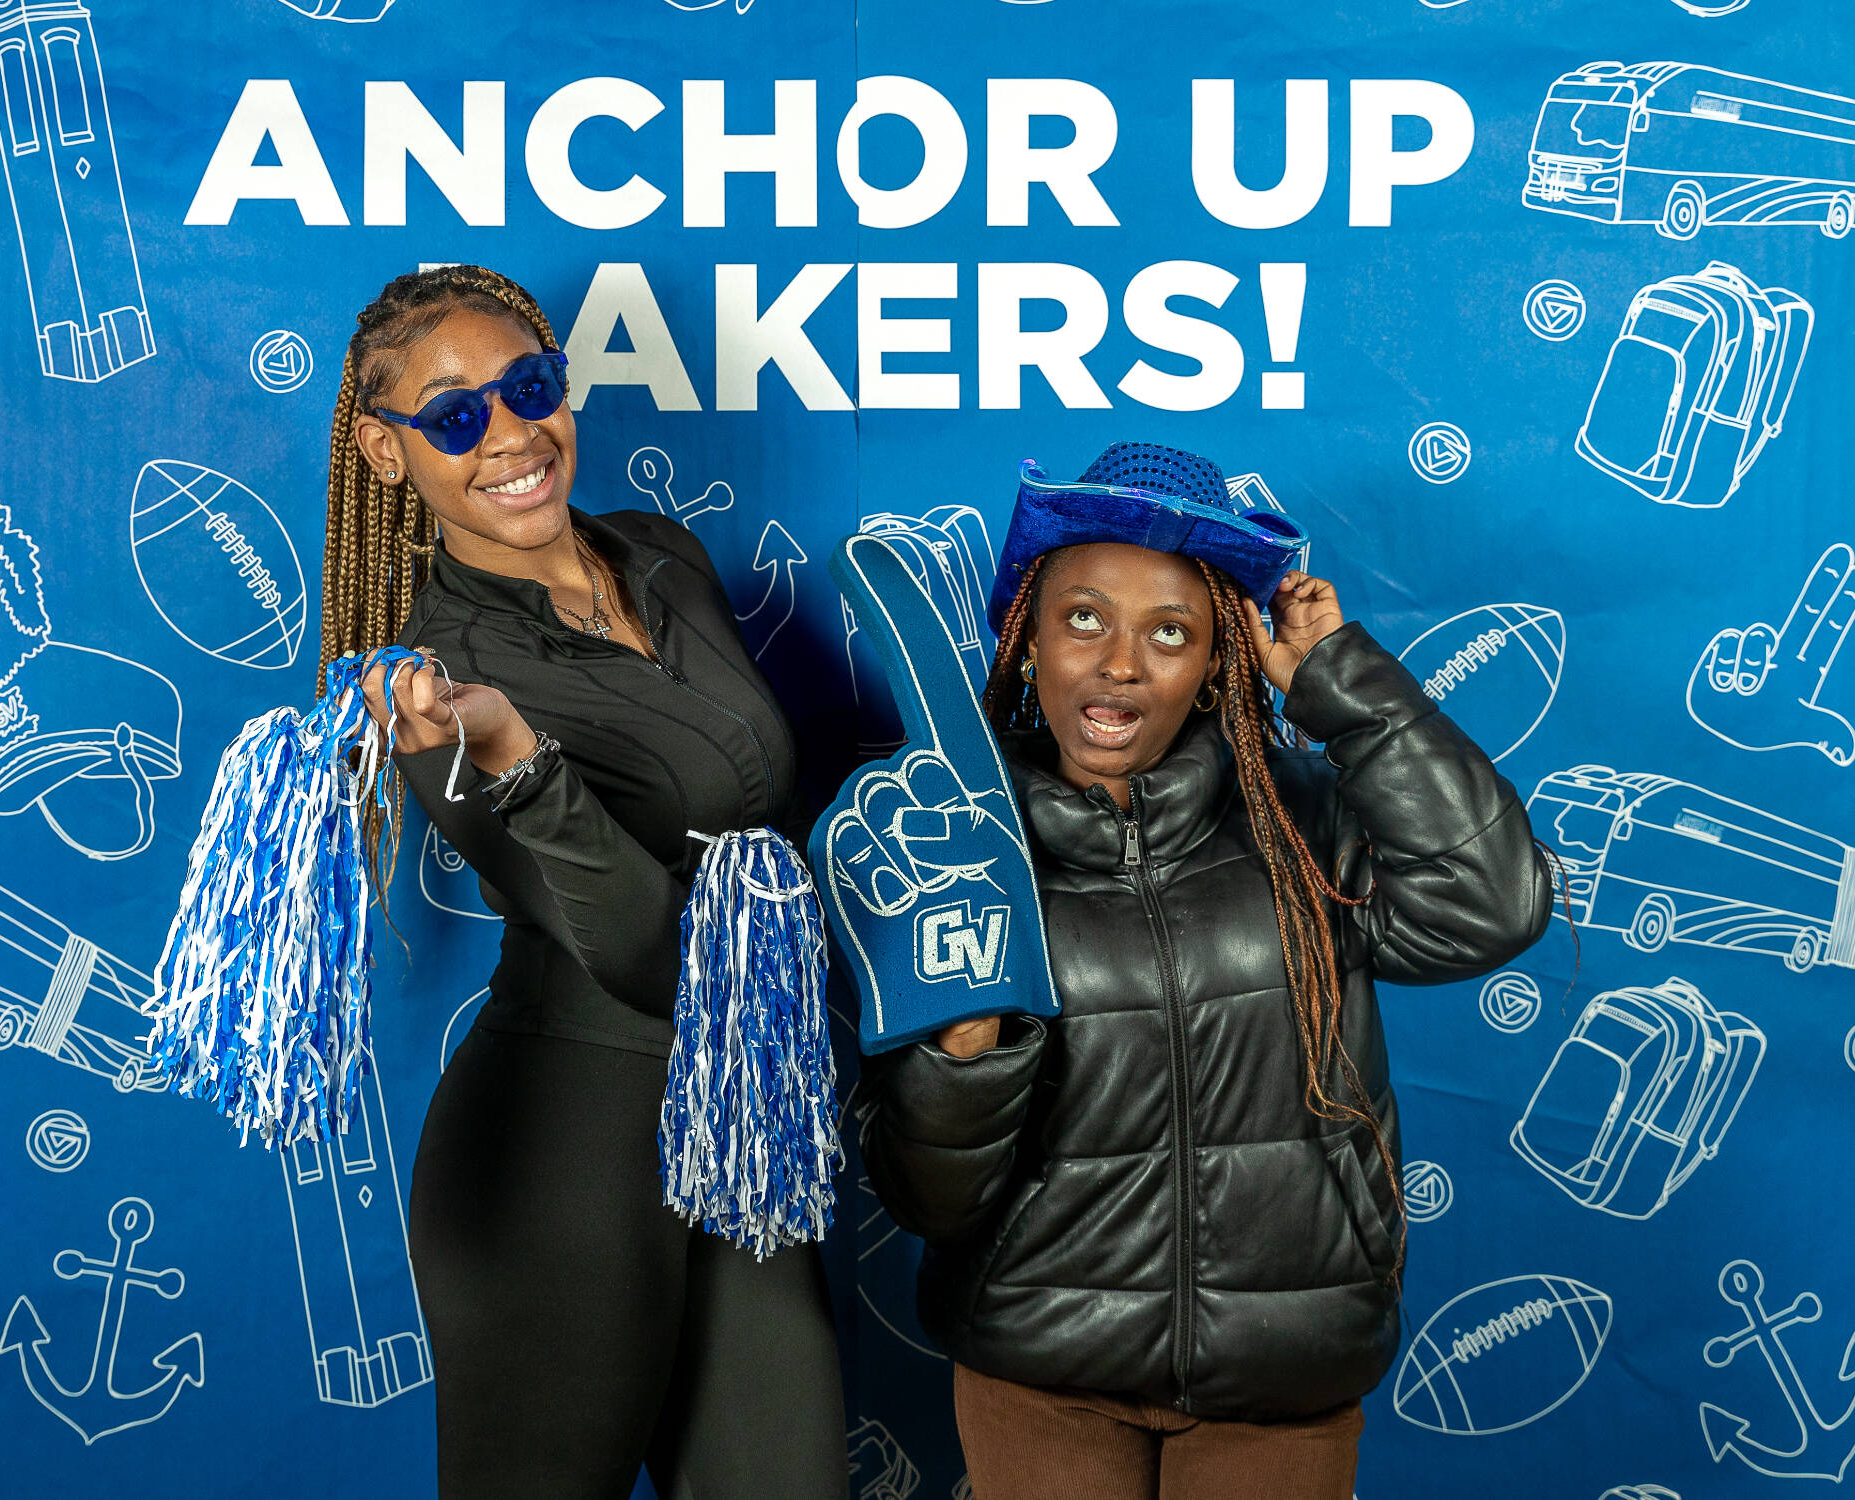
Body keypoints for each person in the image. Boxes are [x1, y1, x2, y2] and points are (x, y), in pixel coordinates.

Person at [853, 443, 1554, 1500]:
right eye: (1083, 618)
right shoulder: (954, 849)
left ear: (1219, 662)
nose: (1120, 664)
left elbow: (1495, 904)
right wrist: (963, 1050)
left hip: (1286, 1364)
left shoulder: (1303, 819)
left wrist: (1342, 686)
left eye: (1170, 632)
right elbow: (928, 1199)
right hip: (1042, 1361)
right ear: (1028, 639)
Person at [315, 264, 845, 1500]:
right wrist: (515, 757)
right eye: (453, 415)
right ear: (386, 451)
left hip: (745, 1127)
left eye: (528, 387)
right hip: (563, 1154)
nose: (508, 434)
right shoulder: (429, 682)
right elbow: (651, 960)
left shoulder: (659, 554)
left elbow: (761, 808)